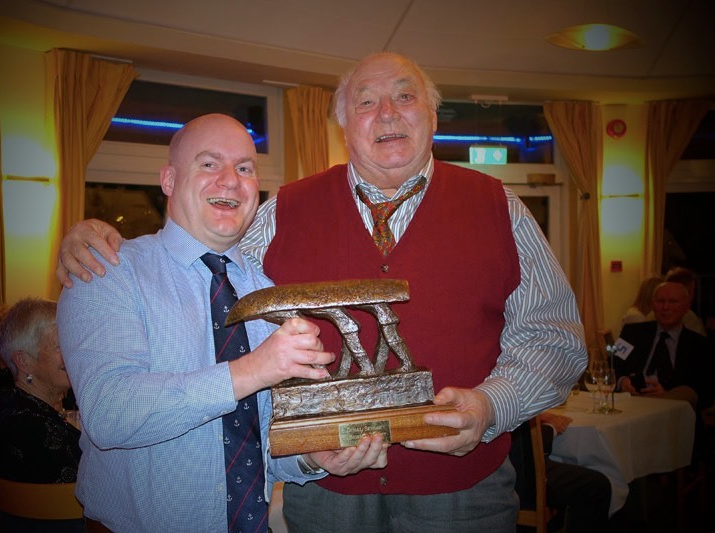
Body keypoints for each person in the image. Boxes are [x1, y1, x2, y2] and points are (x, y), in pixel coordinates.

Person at [56, 53, 587, 531]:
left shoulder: (500, 207)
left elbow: (556, 340)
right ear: (342, 124)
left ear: (431, 113)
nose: (387, 113)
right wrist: (96, 239)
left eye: (405, 96)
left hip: (462, 496)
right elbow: (201, 239)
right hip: (328, 498)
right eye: (366, 101)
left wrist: (491, 406)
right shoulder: (282, 211)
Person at [56, 114, 387, 532]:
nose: (230, 180)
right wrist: (251, 370)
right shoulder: (107, 271)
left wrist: (310, 457)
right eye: (209, 164)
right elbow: (109, 414)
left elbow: (255, 440)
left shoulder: (266, 292)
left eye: (244, 168)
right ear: (170, 180)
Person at [0, 297, 83, 532]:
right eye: (60, 344)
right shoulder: (35, 431)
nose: (74, 350)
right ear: (24, 361)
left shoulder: (16, 414)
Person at [614, 281, 713, 405]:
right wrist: (622, 382)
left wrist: (667, 393)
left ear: (686, 307)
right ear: (653, 305)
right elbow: (611, 363)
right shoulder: (631, 333)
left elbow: (706, 391)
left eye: (673, 302)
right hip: (631, 405)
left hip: (674, 414)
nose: (665, 307)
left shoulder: (700, 345)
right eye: (660, 301)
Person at [538, 412, 611, 532]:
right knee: (597, 486)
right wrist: (551, 428)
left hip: (522, 466)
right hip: (522, 477)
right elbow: (523, 443)